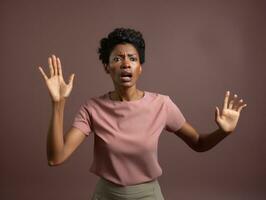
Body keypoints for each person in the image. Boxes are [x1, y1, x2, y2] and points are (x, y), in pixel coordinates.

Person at [38, 28, 247, 200]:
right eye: (117, 58)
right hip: (107, 195)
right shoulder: (93, 108)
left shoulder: (161, 104)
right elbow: (55, 158)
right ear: (107, 67)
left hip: (148, 196)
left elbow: (199, 143)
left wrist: (224, 132)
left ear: (140, 68)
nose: (126, 63)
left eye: (132, 58)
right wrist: (58, 103)